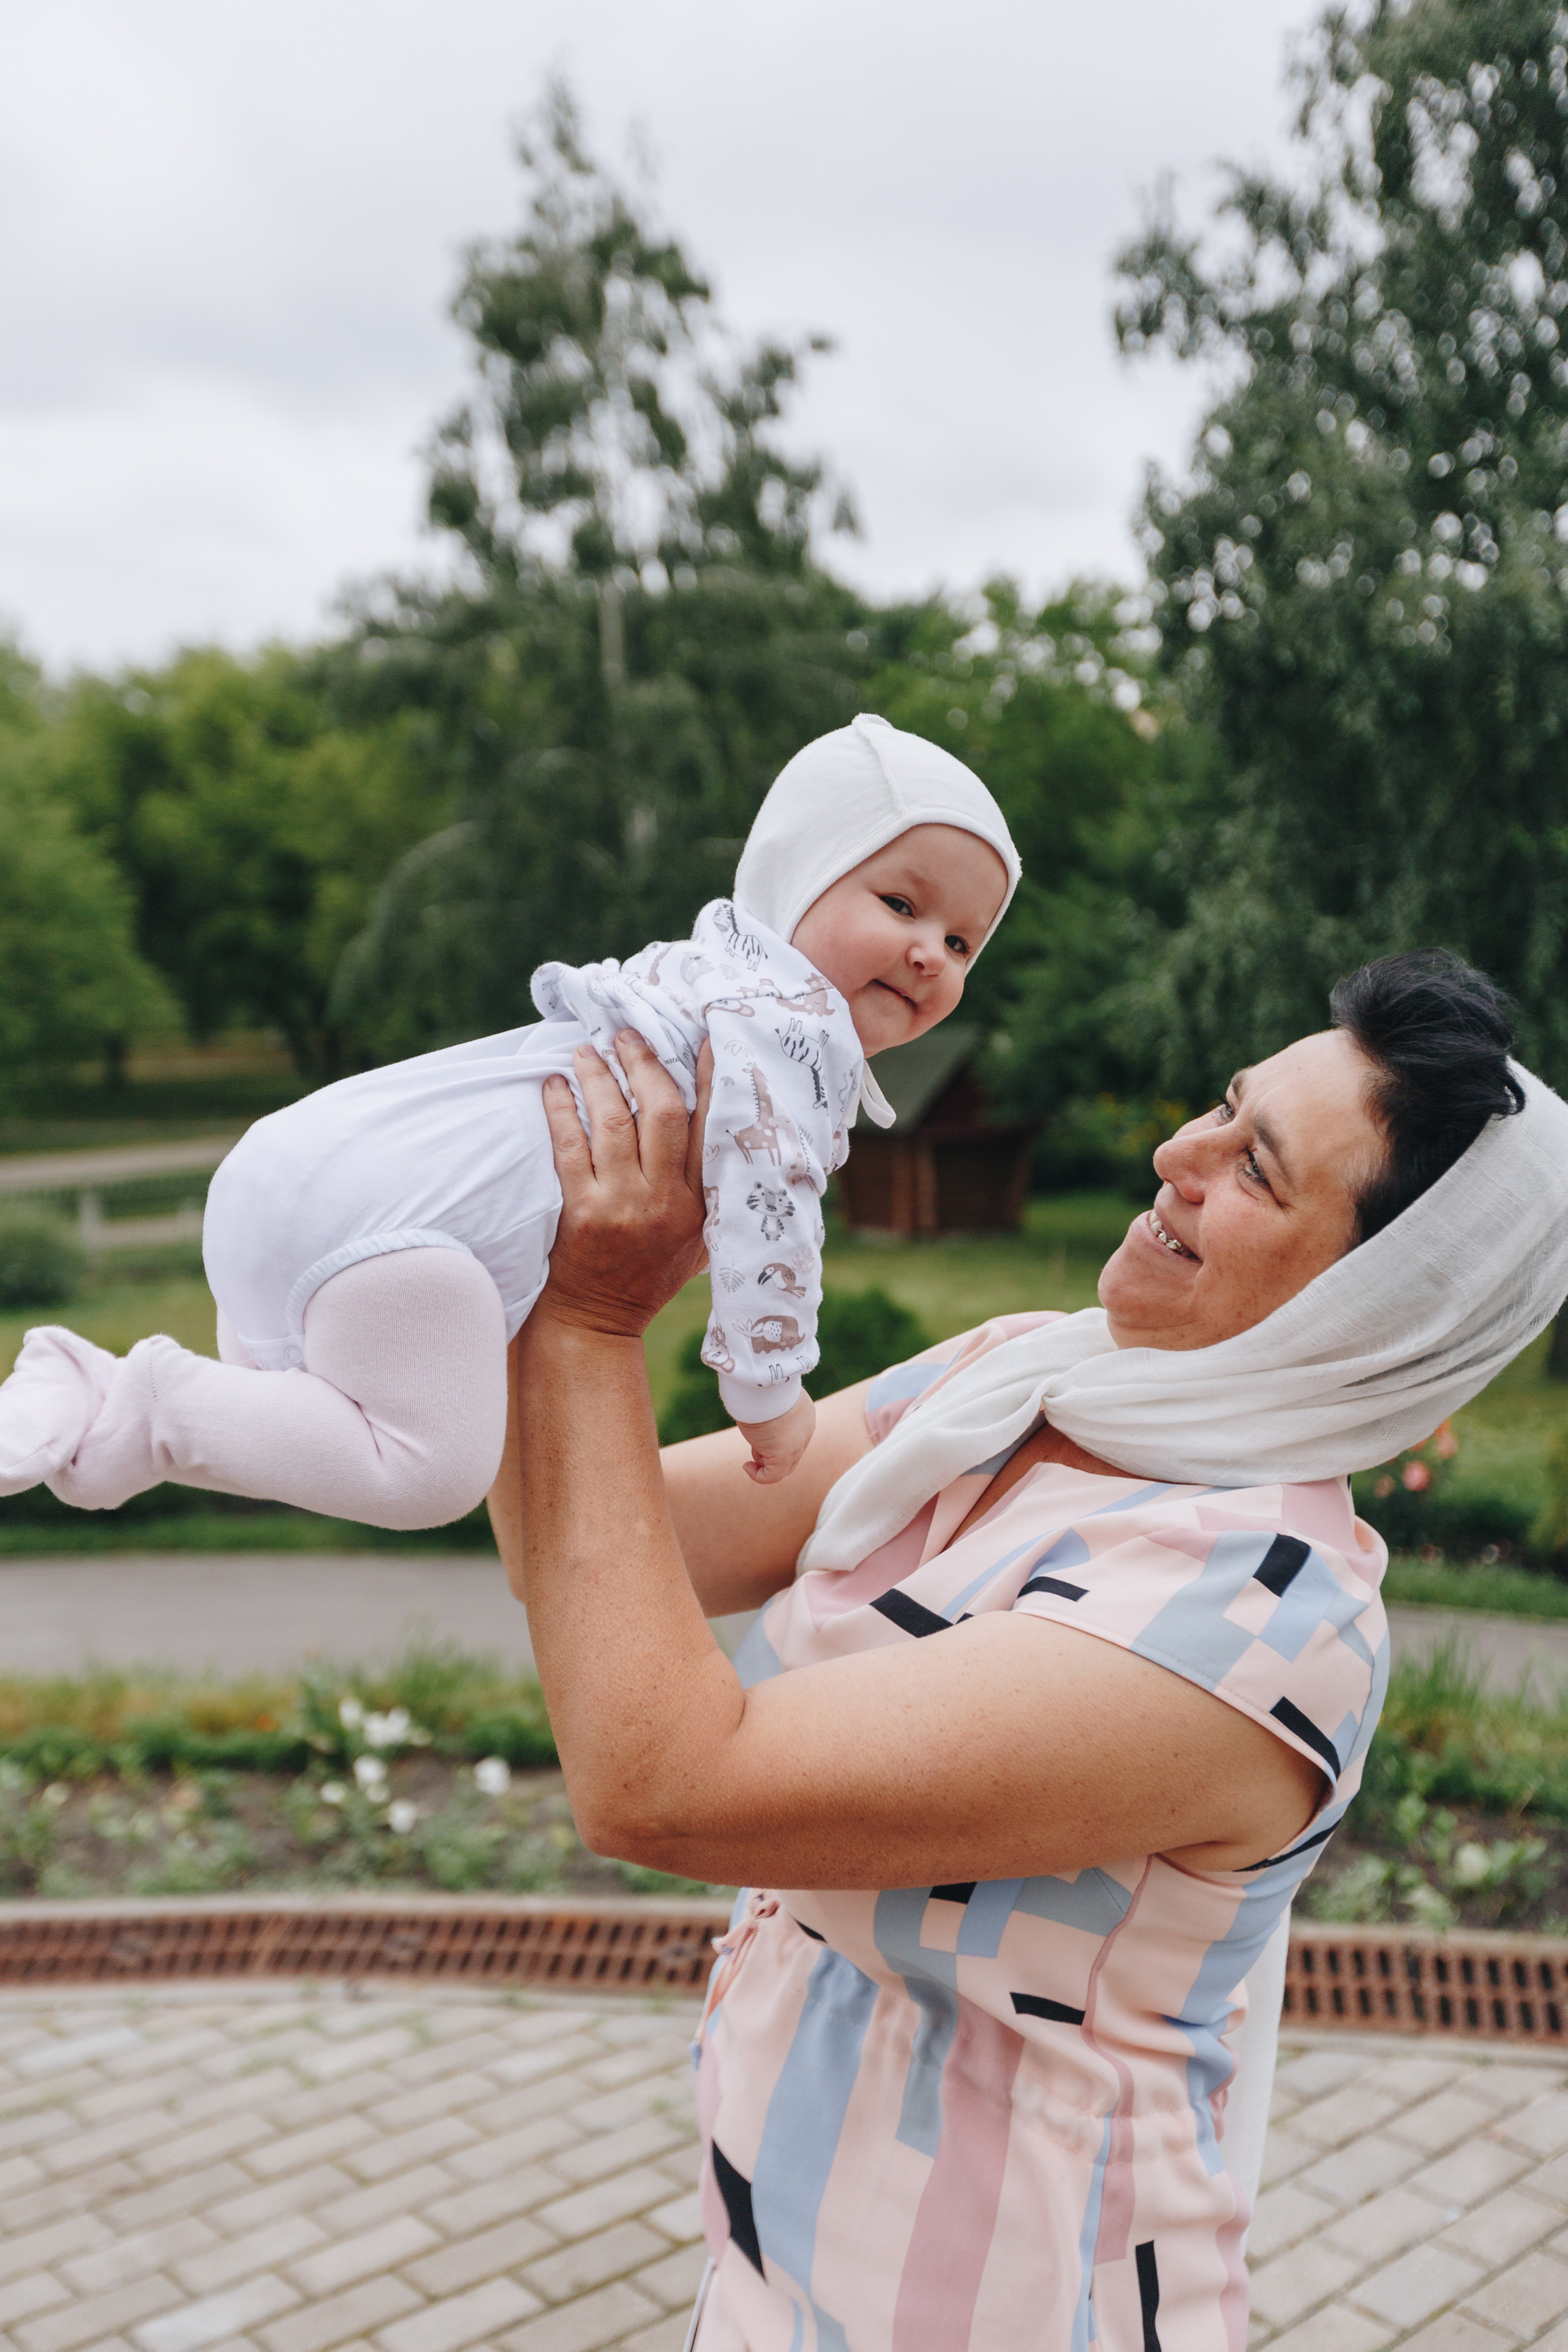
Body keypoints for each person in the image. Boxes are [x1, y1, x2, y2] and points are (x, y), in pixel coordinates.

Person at [492, 950, 1568, 2352]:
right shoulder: (1023, 1371)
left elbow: (662, 1783)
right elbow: (582, 1545)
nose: (1173, 1152)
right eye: (1221, 1109)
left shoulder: (1258, 1614)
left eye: (1254, 1170)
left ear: (1371, 1307)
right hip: (773, 2260)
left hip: (1008, 2306)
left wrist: (591, 1318)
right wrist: (528, 1228)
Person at [0, 714, 1017, 1521]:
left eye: (965, 941)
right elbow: (770, 1217)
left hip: (306, 1167)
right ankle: (125, 1400)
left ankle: (79, 1397)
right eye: (899, 904)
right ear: (798, 880)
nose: (931, 951)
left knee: (298, 1420)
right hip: (407, 1234)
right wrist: (771, 1392)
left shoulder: (692, 976)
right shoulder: (780, 1031)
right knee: (426, 1474)